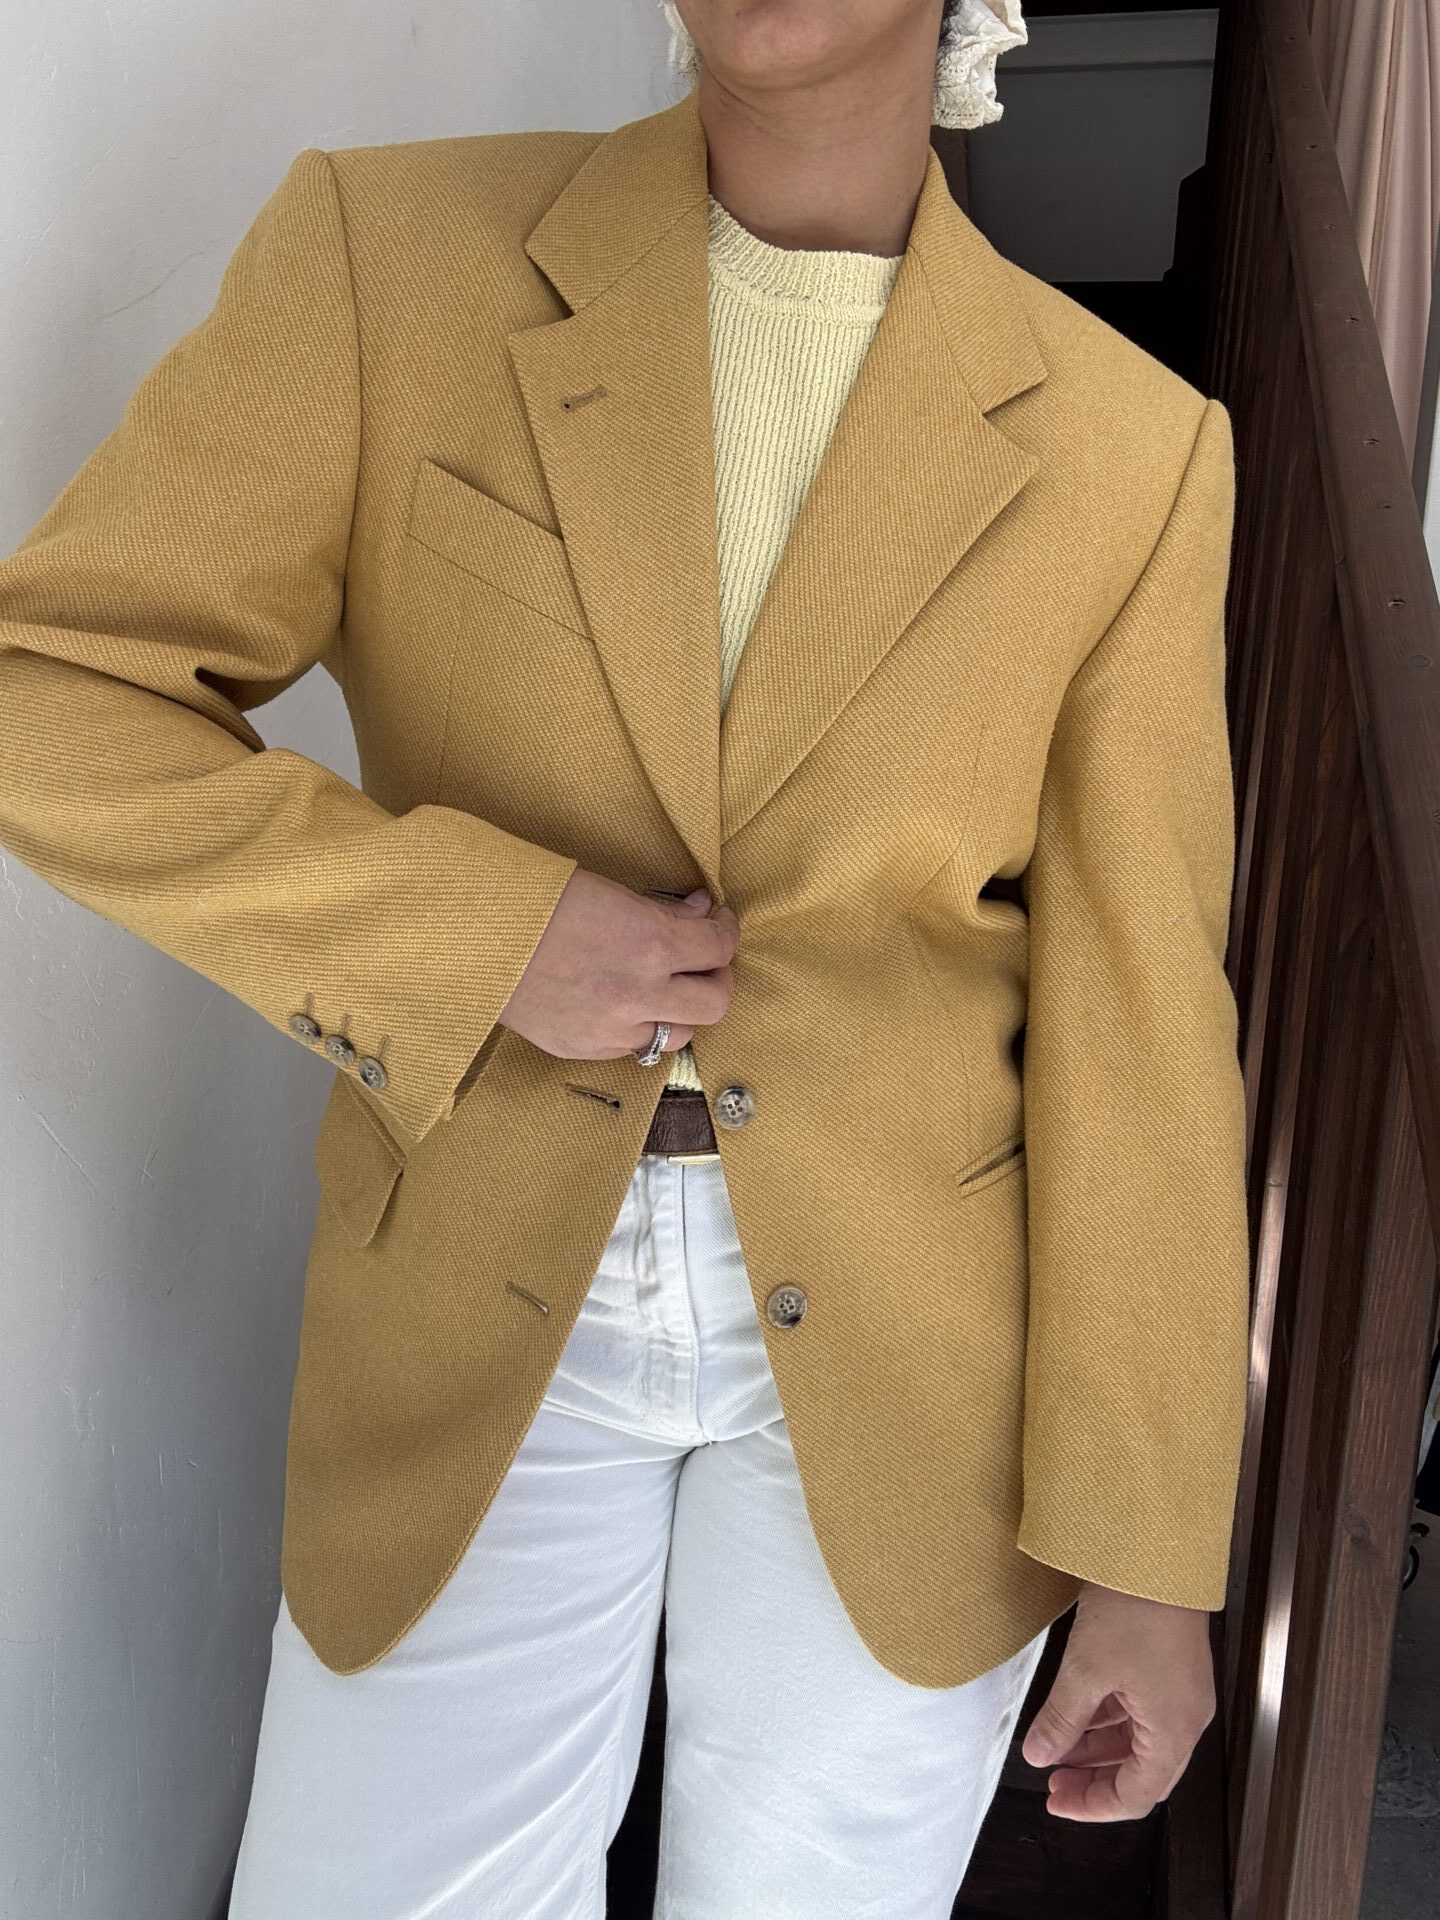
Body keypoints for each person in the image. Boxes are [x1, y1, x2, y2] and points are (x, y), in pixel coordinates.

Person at [0, 1, 1253, 1914]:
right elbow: (52, 693)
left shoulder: (1132, 447)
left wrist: (1152, 1555)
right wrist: (470, 930)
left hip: (922, 1336)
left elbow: (1142, 1014)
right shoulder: (389, 259)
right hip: (477, 1277)